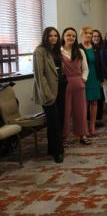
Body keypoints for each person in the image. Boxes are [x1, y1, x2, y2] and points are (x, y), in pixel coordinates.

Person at [32, 27, 66, 163]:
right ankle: (57, 152)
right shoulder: (39, 51)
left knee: (59, 120)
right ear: (45, 37)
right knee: (54, 122)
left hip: (61, 88)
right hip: (49, 92)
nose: (53, 38)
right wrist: (48, 94)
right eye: (50, 36)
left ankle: (52, 148)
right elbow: (39, 75)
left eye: (55, 36)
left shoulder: (56, 51)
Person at [61, 27, 90, 145]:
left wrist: (83, 80)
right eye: (68, 35)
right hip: (65, 84)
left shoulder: (80, 51)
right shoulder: (59, 51)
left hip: (78, 83)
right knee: (66, 111)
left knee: (81, 111)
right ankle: (64, 137)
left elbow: (86, 69)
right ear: (63, 36)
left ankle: (82, 135)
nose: (71, 37)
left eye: (73, 36)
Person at [79, 27, 102, 136]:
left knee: (94, 102)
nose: (88, 35)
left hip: (95, 77)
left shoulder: (96, 48)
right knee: (84, 103)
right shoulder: (77, 48)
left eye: (90, 33)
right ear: (81, 34)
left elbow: (99, 64)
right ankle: (84, 126)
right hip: (83, 78)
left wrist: (101, 79)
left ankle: (92, 125)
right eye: (86, 33)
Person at [92, 29, 105, 127]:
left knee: (100, 99)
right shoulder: (88, 48)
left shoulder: (103, 47)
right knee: (92, 99)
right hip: (92, 77)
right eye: (94, 36)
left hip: (101, 77)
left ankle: (99, 119)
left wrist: (102, 79)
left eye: (98, 36)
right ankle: (90, 119)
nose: (96, 38)